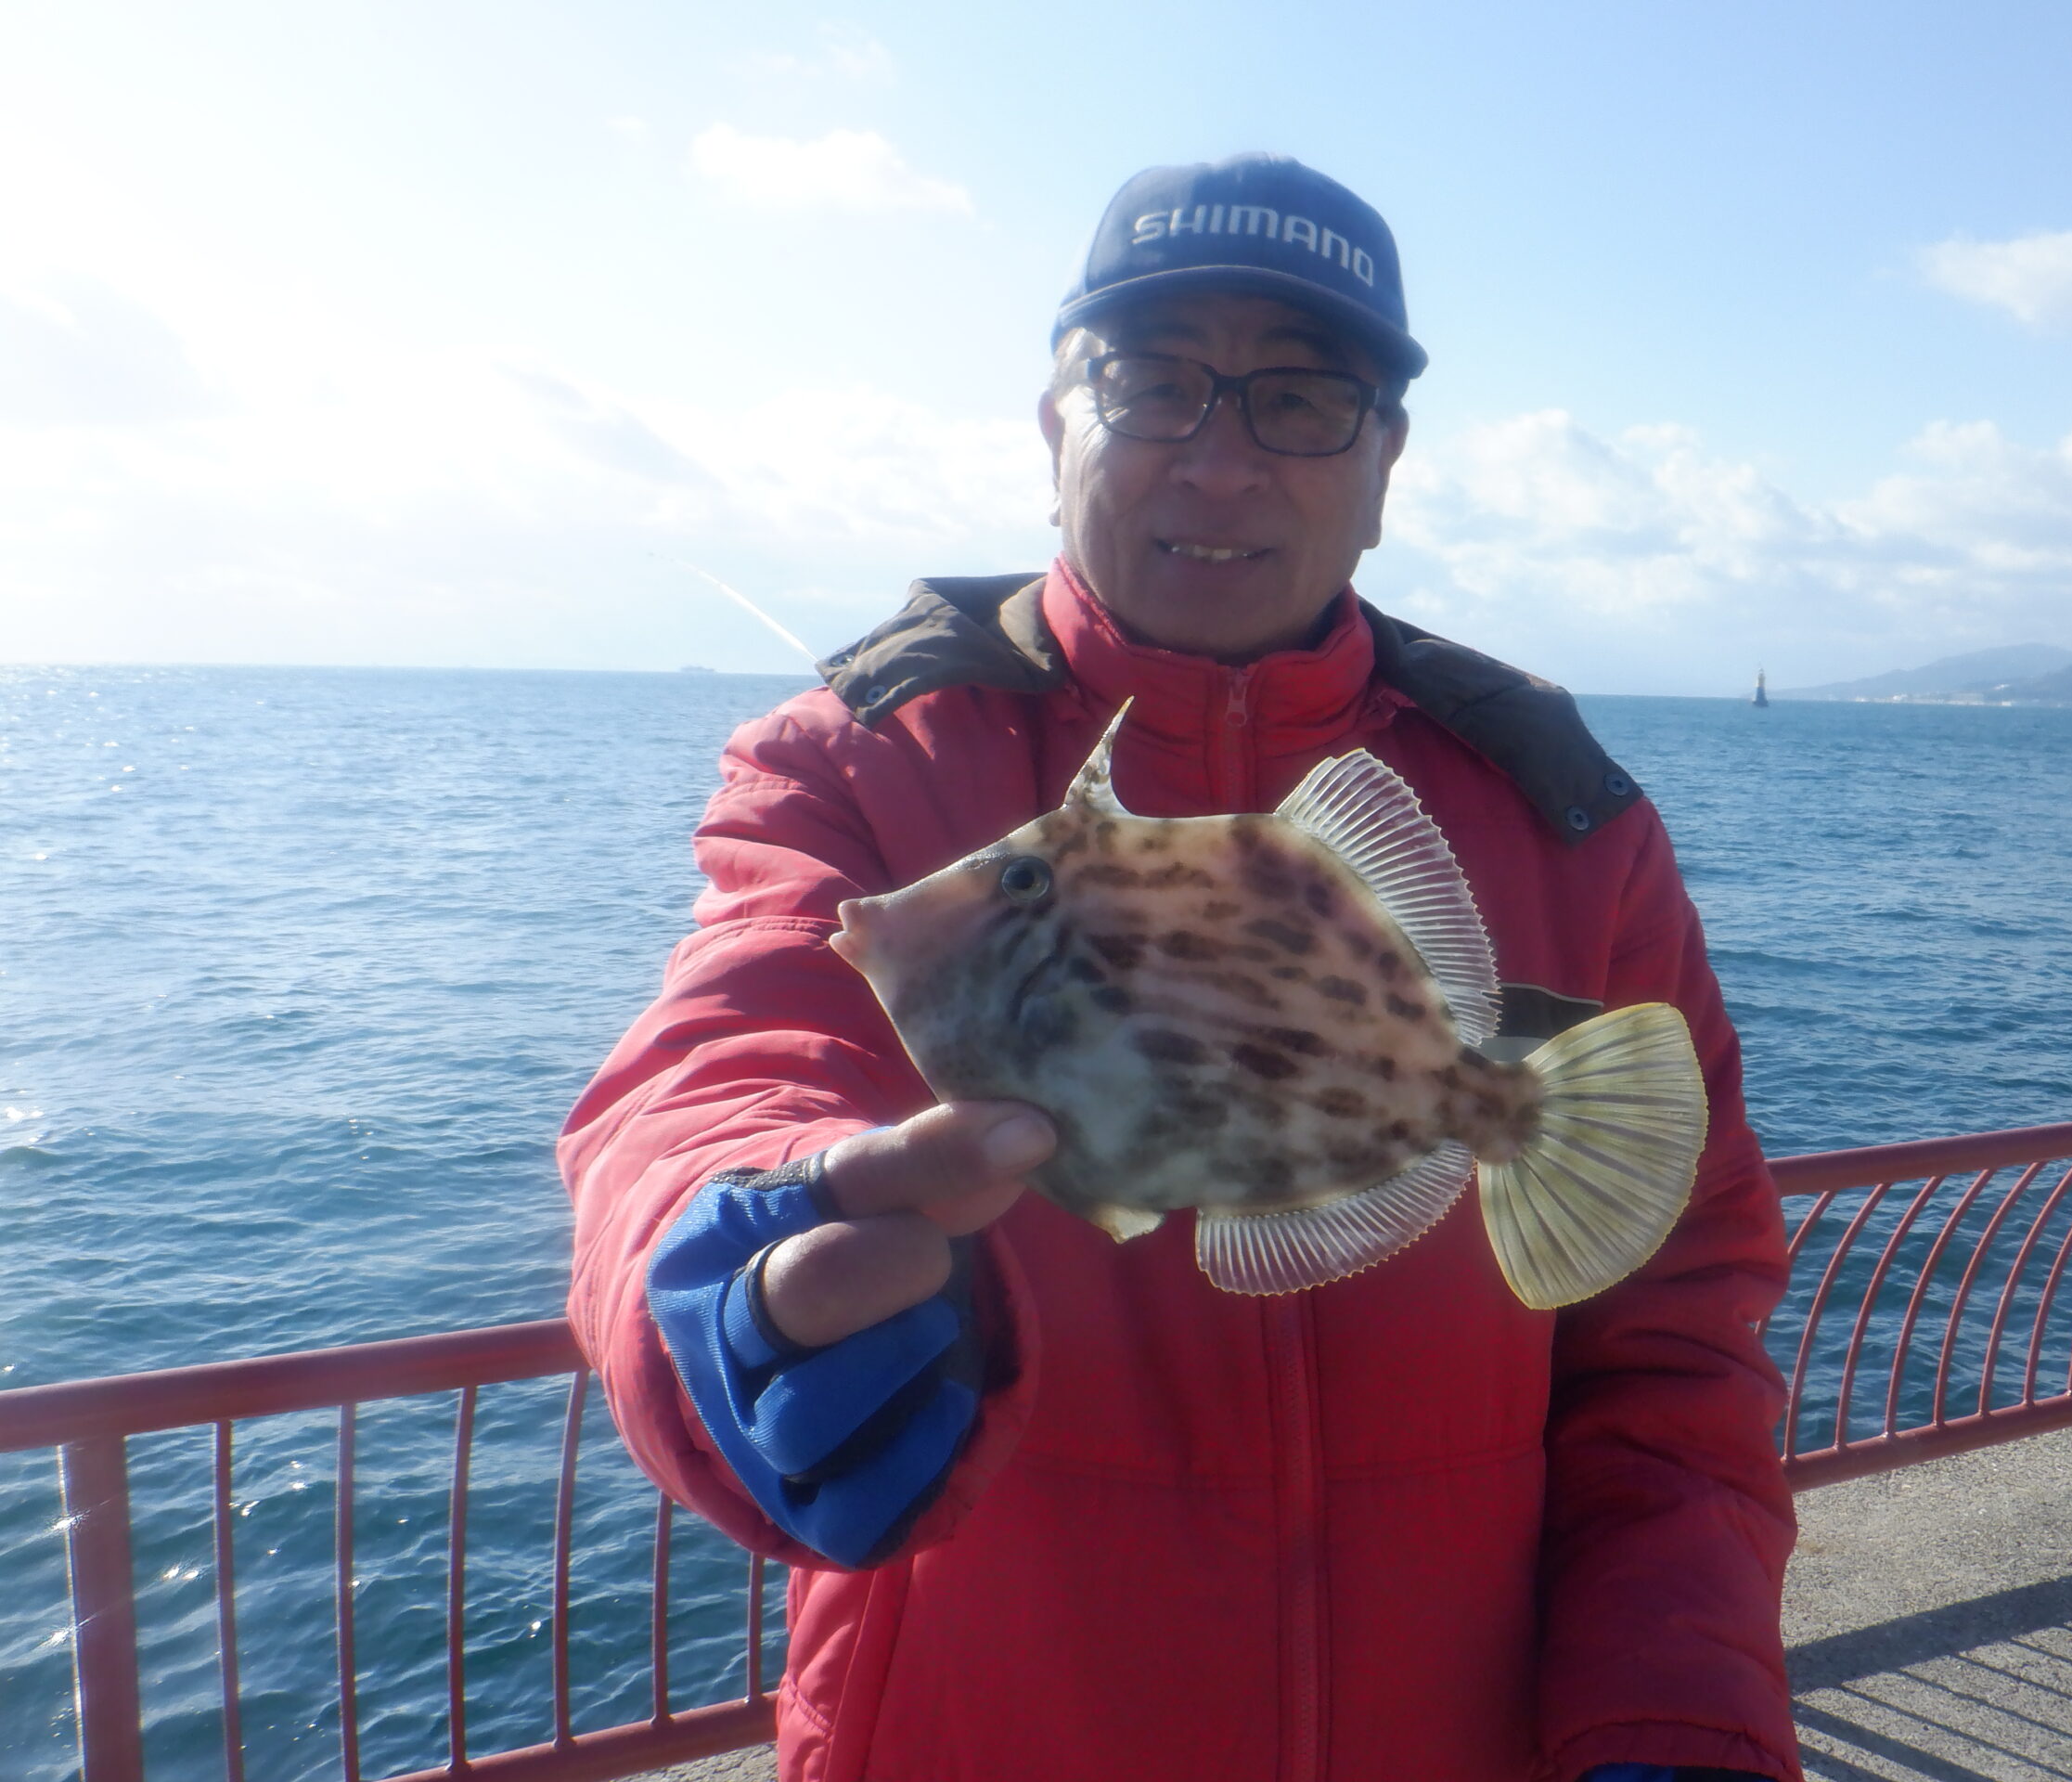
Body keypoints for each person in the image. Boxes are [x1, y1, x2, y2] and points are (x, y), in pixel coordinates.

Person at [561, 153, 1799, 1782]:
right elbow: (724, 1057)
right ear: (1054, 426)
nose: (1218, 465)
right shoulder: (854, 763)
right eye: (1151, 385)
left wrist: (1680, 1719)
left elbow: (1679, 1355)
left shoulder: (1560, 816)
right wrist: (736, 1253)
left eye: (1301, 400)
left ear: (1385, 460)